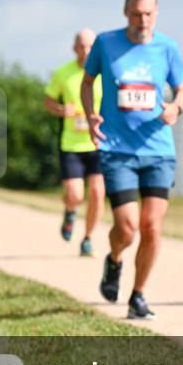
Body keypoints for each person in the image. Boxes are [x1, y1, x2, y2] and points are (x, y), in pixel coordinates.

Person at [82, 0, 183, 320]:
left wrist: (176, 108)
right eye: (135, 13)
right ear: (125, 13)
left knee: (152, 227)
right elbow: (87, 83)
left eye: (147, 13)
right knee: (127, 227)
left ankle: (138, 296)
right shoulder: (105, 43)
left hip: (158, 149)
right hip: (117, 149)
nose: (142, 20)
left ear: (155, 12)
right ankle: (114, 259)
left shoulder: (167, 47)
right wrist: (90, 115)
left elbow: (182, 91)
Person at [45, 29, 105, 257]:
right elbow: (48, 102)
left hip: (98, 143)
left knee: (98, 194)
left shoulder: (103, 73)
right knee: (75, 195)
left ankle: (88, 239)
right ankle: (70, 211)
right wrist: (61, 109)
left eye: (91, 46)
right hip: (71, 144)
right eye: (82, 46)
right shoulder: (63, 73)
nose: (86, 50)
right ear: (74, 48)